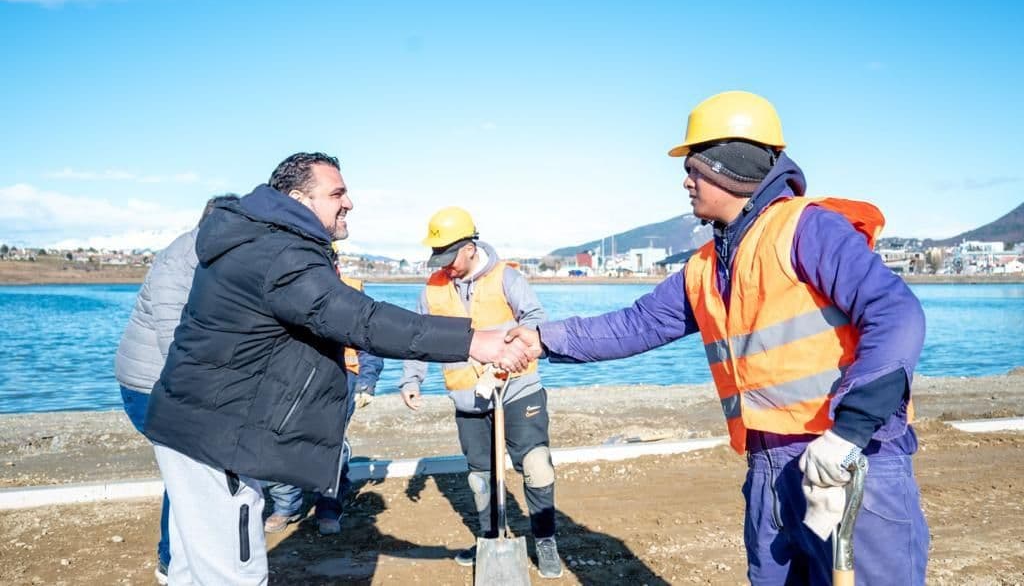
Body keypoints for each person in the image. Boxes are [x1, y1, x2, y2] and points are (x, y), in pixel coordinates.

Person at [507, 91, 930, 585]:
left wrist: (848, 433)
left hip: (847, 462)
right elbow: (634, 324)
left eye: (694, 169)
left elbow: (897, 315)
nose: (686, 182)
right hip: (770, 471)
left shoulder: (807, 229)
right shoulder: (706, 268)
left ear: (731, 167)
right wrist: (538, 338)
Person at [145, 152, 536, 585]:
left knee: (190, 571)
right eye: (337, 193)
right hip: (216, 440)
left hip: (193, 425)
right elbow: (361, 319)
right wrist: (474, 341)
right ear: (299, 199)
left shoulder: (260, 242)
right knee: (234, 575)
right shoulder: (280, 254)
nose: (349, 203)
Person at [399, 207, 563, 579]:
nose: (442, 265)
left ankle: (545, 539)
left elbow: (536, 320)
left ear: (470, 247)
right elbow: (419, 339)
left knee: (536, 466)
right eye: (436, 256)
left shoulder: (507, 277)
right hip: (468, 398)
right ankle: (490, 538)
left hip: (518, 390)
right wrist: (412, 380)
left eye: (448, 256)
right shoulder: (434, 288)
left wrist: (510, 357)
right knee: (479, 477)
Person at [114, 195, 231, 584]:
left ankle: (185, 555)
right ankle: (170, 561)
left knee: (189, 472)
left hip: (175, 381)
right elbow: (173, 339)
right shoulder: (177, 262)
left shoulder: (213, 259)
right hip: (149, 386)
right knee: (185, 472)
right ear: (210, 226)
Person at [263, 252, 384, 536]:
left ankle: (329, 504)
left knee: (330, 444)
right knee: (280, 441)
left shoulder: (352, 293)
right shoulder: (285, 287)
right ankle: (286, 505)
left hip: (344, 377)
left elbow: (372, 341)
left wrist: (367, 381)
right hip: (291, 378)